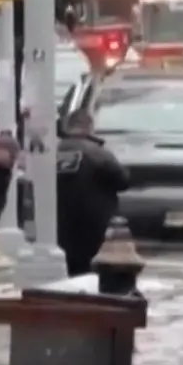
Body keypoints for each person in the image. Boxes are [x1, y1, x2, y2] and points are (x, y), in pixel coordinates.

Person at [56, 109, 130, 276]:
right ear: (90, 127)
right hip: (93, 222)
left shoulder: (53, 151)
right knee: (89, 269)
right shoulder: (99, 153)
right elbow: (123, 180)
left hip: (59, 223)